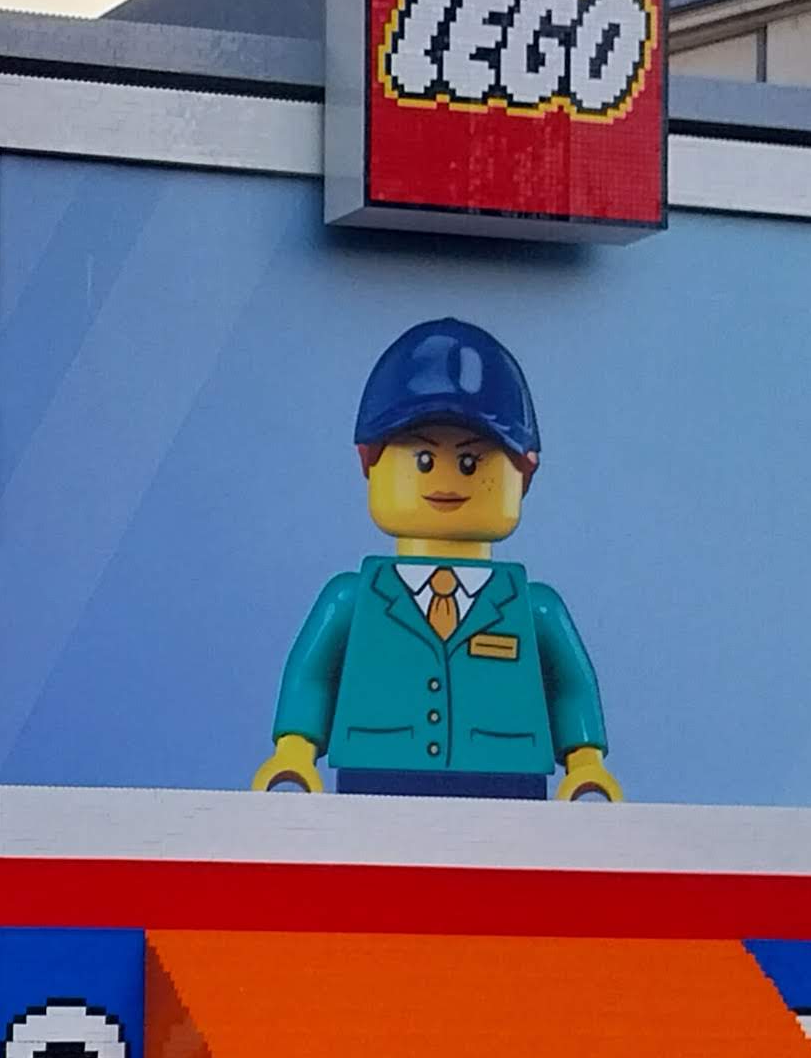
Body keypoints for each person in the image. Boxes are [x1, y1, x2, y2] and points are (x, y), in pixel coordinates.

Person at [256, 316, 618, 803]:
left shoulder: (535, 609)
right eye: (422, 459)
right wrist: (294, 754)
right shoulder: (351, 598)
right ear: (368, 461)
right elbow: (311, 673)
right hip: (373, 785)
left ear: (526, 473)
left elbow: (570, 685)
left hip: (509, 790)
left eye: (472, 462)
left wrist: (585, 764)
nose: (446, 480)